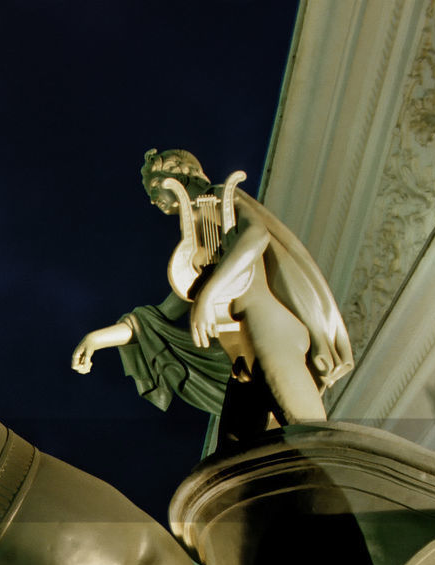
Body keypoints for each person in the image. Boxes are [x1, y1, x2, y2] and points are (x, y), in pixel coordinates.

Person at [72, 149, 352, 434]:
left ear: (181, 176)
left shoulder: (219, 198)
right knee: (236, 452)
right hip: (239, 357)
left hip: (268, 327)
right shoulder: (199, 249)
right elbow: (158, 318)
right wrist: (97, 339)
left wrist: (209, 296)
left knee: (307, 432)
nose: (152, 199)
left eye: (155, 187)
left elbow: (255, 235)